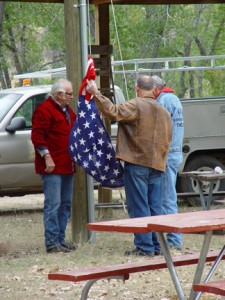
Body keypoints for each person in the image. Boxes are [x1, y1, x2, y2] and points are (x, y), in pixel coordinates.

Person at [87, 75, 172, 256]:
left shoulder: (137, 104)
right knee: (155, 207)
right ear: (155, 90)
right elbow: (168, 139)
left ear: (137, 88)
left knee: (139, 205)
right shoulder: (164, 111)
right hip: (157, 164)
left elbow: (113, 111)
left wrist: (96, 93)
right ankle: (158, 246)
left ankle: (144, 247)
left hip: (138, 162)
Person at [31, 78, 76, 253]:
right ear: (59, 94)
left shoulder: (67, 111)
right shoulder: (44, 110)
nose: (72, 97)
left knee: (65, 204)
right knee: (54, 204)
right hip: (52, 167)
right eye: (70, 94)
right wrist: (47, 157)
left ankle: (60, 240)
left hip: (67, 165)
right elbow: (38, 137)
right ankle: (51, 242)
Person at [152, 75, 184, 250]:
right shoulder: (174, 98)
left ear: (155, 89)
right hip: (175, 152)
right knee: (168, 197)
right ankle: (172, 237)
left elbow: (158, 130)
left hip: (166, 153)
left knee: (166, 199)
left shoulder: (163, 101)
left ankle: (174, 239)